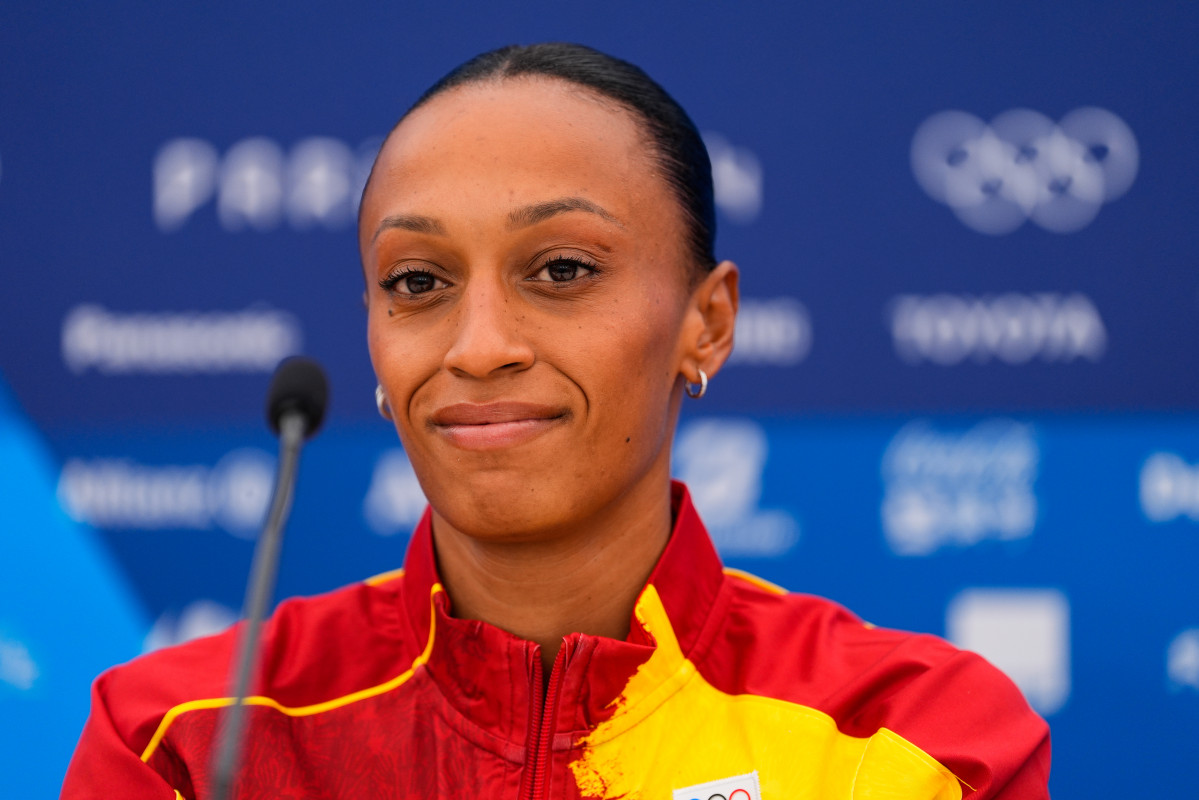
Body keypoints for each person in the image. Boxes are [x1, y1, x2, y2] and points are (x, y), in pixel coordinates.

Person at [62, 43, 1050, 799]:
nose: (478, 344)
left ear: (704, 322)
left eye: (562, 270)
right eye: (416, 281)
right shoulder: (182, 738)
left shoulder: (912, 738)